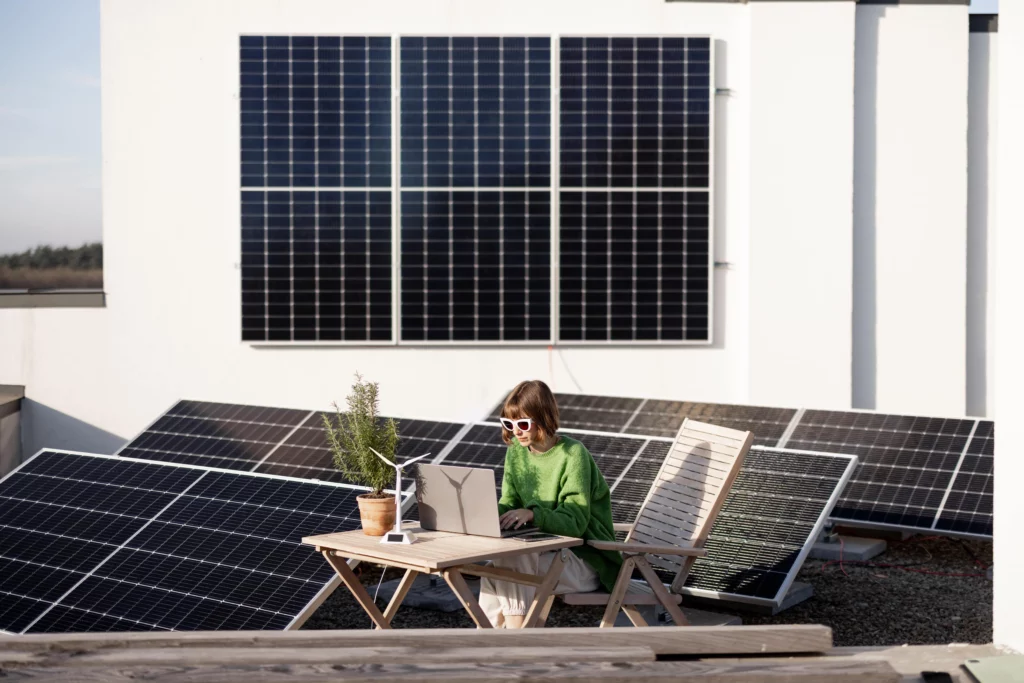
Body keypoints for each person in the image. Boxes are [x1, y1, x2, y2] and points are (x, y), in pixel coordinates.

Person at [478, 380, 623, 628]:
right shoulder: (516, 452)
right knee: (492, 574)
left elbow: (575, 523)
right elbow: (509, 503)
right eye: (508, 424)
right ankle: (487, 645)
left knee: (511, 564)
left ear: (543, 418)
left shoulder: (573, 455)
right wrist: (482, 513)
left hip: (584, 560)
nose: (516, 431)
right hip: (546, 552)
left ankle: (513, 639)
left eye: (523, 423)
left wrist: (533, 515)